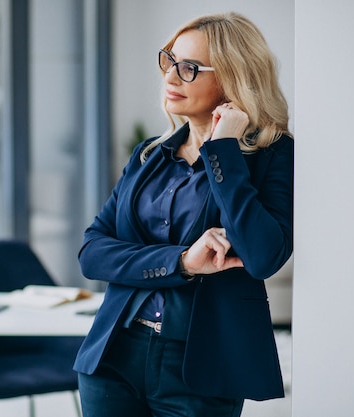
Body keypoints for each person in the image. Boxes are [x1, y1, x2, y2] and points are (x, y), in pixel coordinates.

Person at [74, 12, 293, 417]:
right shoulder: (147, 155)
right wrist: (182, 262)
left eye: (189, 68)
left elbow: (263, 256)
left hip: (201, 371)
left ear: (233, 77)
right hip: (113, 358)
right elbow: (92, 252)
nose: (171, 77)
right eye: (169, 61)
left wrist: (223, 150)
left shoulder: (274, 156)